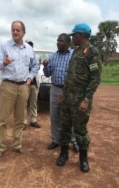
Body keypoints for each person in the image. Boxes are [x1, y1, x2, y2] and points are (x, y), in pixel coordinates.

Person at [55, 23, 102, 173]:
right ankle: (64, 154)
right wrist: (63, 92)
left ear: (80, 35)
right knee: (64, 128)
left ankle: (83, 158)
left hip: (81, 101)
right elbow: (70, 75)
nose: (71, 38)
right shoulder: (75, 51)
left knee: (80, 130)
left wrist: (86, 100)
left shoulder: (92, 53)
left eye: (73, 35)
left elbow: (95, 79)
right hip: (68, 98)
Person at [0, 20, 39, 160]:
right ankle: (0, 147)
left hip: (23, 87)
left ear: (24, 32)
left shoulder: (29, 49)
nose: (15, 32)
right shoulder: (4, 46)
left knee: (20, 118)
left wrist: (30, 78)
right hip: (8, 86)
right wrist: (4, 63)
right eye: (13, 29)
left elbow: (35, 65)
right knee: (3, 119)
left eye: (18, 30)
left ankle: (17, 145)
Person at [43, 33, 79, 153]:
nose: (58, 43)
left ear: (68, 43)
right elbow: (47, 74)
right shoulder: (53, 56)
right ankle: (56, 140)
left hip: (69, 91)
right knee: (55, 116)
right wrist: (45, 66)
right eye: (58, 40)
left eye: (62, 41)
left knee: (71, 117)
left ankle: (74, 141)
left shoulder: (74, 55)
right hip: (55, 89)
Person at [23, 40, 41, 129]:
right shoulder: (22, 57)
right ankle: (23, 122)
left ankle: (33, 120)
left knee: (33, 103)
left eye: (31, 46)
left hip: (34, 84)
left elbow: (37, 68)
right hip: (25, 84)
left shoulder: (36, 57)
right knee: (24, 103)